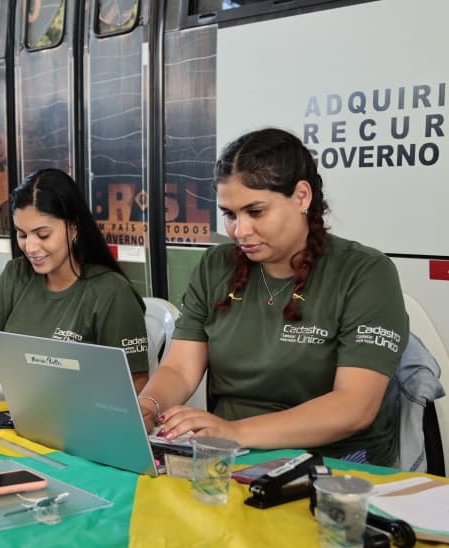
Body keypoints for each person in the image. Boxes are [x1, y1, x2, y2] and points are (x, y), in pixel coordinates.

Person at [139, 127, 408, 466]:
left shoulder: (366, 273)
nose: (240, 231)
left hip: (333, 462)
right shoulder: (214, 266)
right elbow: (179, 369)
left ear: (301, 197)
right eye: (230, 214)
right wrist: (148, 409)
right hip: (231, 455)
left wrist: (234, 431)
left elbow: (354, 407)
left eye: (256, 211)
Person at [0, 168, 149, 393]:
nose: (30, 247)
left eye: (43, 235)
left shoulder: (112, 293)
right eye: (22, 235)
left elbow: (135, 385)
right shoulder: (16, 275)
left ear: (73, 228)